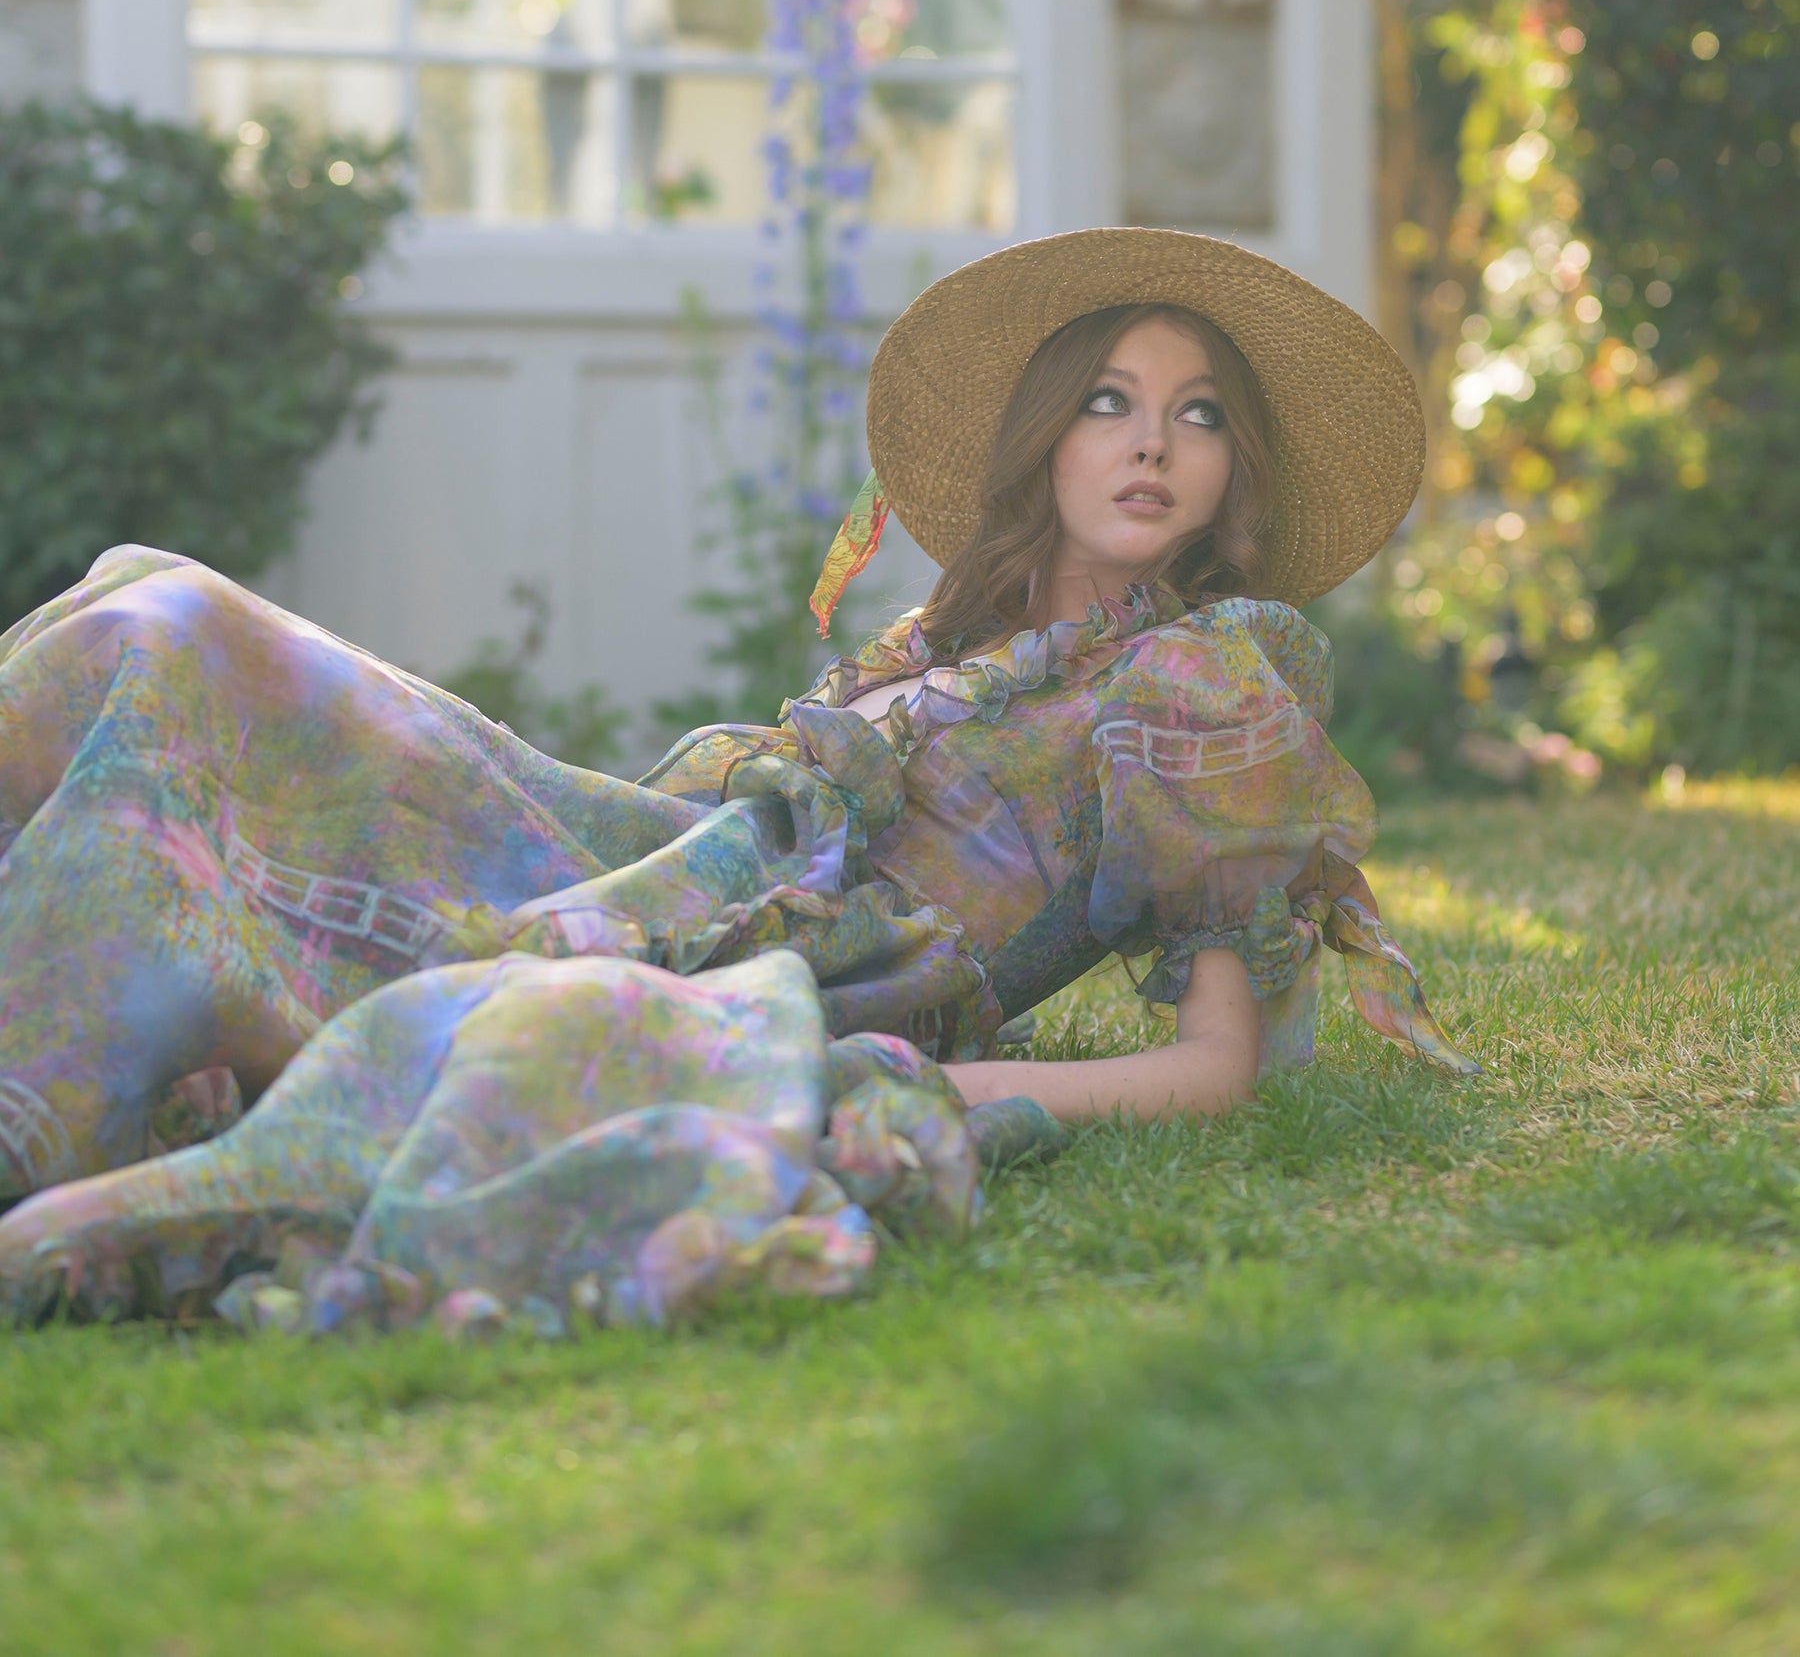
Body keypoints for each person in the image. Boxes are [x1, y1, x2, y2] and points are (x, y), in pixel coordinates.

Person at [0, 229, 1470, 1330]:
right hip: (656, 865)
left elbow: (1220, 1071)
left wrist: (927, 1086)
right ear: (1045, 437)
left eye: (1200, 413)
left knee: (176, 633)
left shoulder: (1202, 679)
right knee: (135, 607)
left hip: (762, 965)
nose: (1153, 440)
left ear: (1233, 466)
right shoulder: (949, 642)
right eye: (1108, 400)